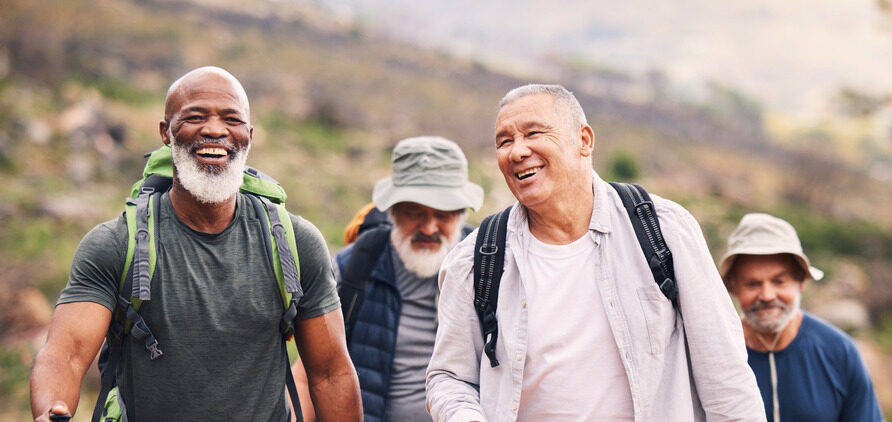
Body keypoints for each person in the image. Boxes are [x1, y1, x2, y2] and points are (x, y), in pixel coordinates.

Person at [30, 66, 362, 422]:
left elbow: (331, 374)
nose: (215, 130)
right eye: (195, 117)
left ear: (249, 135)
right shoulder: (115, 245)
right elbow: (65, 355)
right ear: (165, 132)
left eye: (231, 119)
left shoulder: (296, 244)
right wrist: (53, 410)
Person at [426, 84, 766, 421]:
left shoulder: (663, 231)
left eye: (533, 133)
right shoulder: (476, 261)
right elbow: (448, 379)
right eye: (504, 141)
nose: (516, 152)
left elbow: (726, 379)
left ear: (584, 141)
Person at [332, 136, 483, 422]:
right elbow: (316, 370)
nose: (429, 227)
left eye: (443, 215)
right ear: (392, 212)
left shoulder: (486, 269)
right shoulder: (353, 267)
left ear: (462, 215)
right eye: (414, 213)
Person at [719, 213, 883, 422]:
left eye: (779, 281)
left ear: (801, 281)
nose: (767, 296)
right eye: (753, 284)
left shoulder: (839, 350)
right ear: (732, 287)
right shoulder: (718, 353)